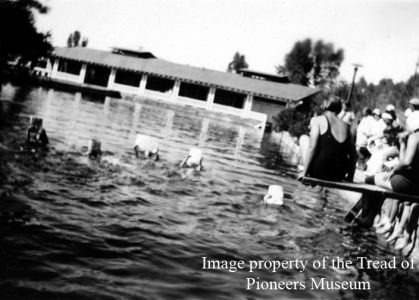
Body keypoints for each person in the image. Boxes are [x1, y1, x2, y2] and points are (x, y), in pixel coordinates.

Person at [300, 96, 357, 182]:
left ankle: (305, 170)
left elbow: (312, 147)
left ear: (324, 106)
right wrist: (350, 178)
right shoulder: (346, 126)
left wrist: (304, 174)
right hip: (338, 174)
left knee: (304, 138)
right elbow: (353, 155)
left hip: (319, 171)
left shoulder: (317, 120)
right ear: (339, 109)